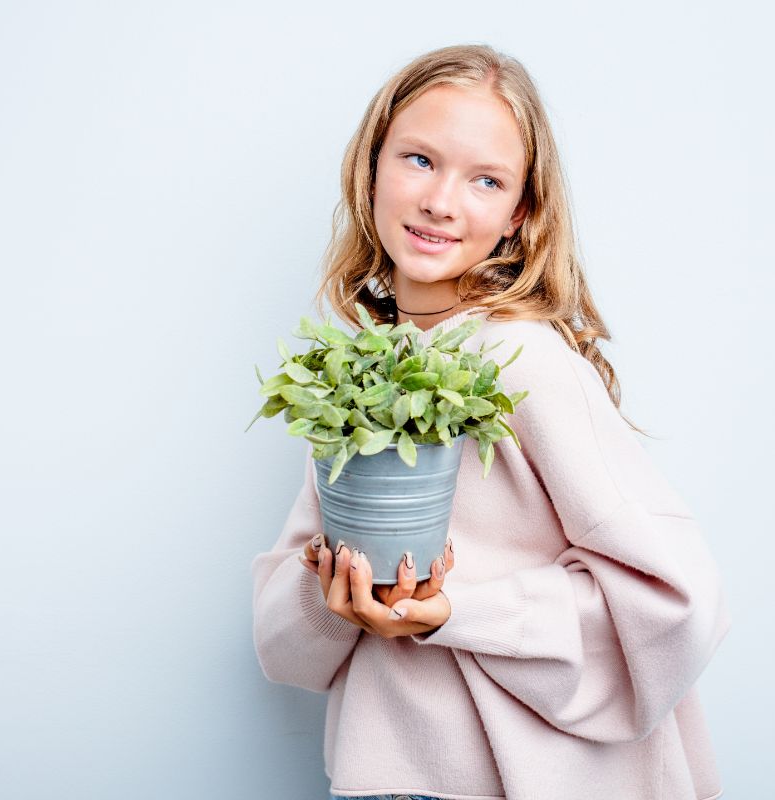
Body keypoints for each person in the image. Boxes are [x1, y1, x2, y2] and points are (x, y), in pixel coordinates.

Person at [251, 43, 733, 800]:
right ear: (370, 169)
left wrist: (454, 612)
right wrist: (331, 593)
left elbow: (675, 602)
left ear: (520, 215)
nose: (442, 201)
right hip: (382, 777)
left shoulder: (520, 361)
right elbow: (284, 653)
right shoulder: (362, 381)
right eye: (418, 160)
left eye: (485, 180)